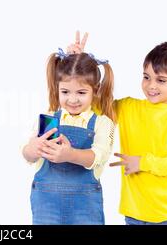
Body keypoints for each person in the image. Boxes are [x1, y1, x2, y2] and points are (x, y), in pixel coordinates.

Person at [68, 31, 167, 225]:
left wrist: (143, 163)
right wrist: (76, 64)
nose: (151, 85)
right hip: (133, 215)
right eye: (146, 77)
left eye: (161, 80)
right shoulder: (129, 107)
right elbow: (97, 106)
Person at [21, 43, 116, 224]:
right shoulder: (48, 118)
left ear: (94, 91)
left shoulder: (102, 123)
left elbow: (98, 156)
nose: (72, 99)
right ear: (57, 89)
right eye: (65, 92)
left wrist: (70, 154)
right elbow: (27, 154)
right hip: (46, 203)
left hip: (85, 206)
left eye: (81, 92)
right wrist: (32, 149)